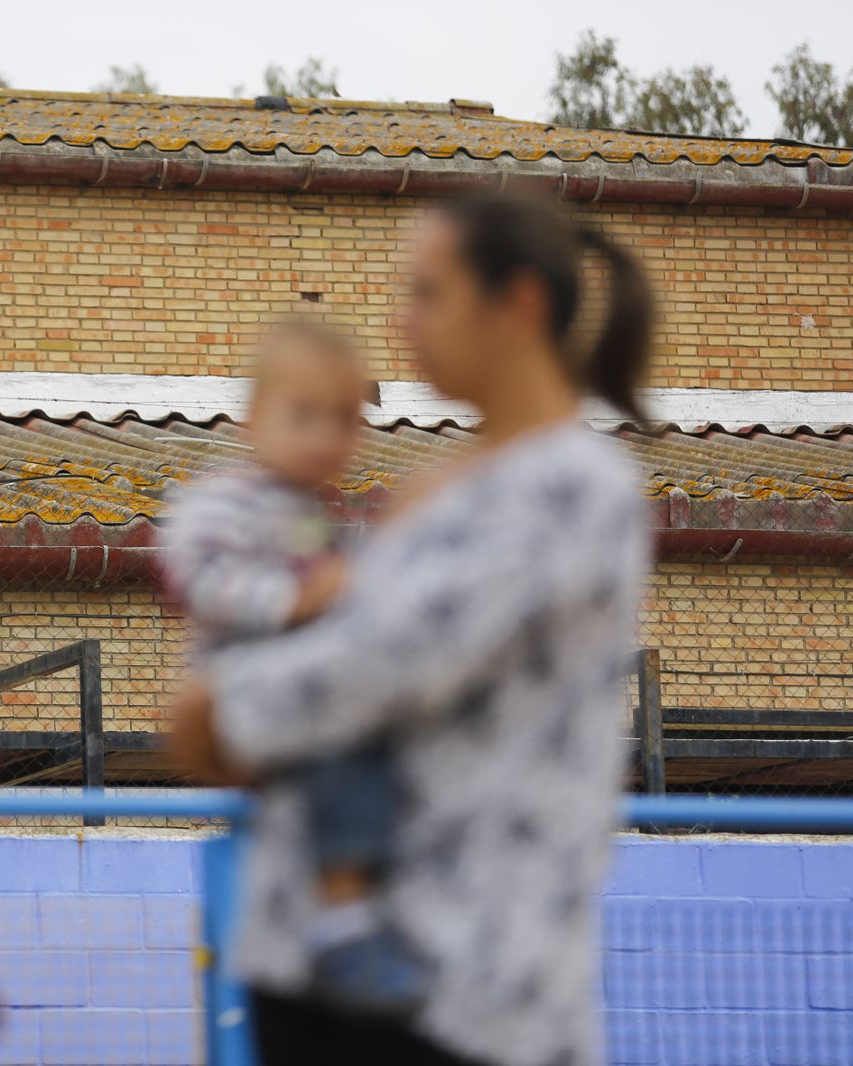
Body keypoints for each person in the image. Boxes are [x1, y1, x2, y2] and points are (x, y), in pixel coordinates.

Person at [171, 192, 655, 1066]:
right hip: (308, 962)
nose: (404, 320)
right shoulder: (445, 480)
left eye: (429, 293)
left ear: (519, 306)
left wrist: (214, 708)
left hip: (456, 981)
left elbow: (385, 663)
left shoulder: (573, 485)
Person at [161, 321, 423, 1013]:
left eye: (342, 420)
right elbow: (195, 576)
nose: (323, 438)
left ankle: (358, 902)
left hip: (301, 687)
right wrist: (296, 600)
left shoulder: (311, 512)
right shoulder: (219, 500)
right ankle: (344, 919)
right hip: (246, 680)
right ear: (251, 419)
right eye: (301, 416)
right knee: (342, 770)